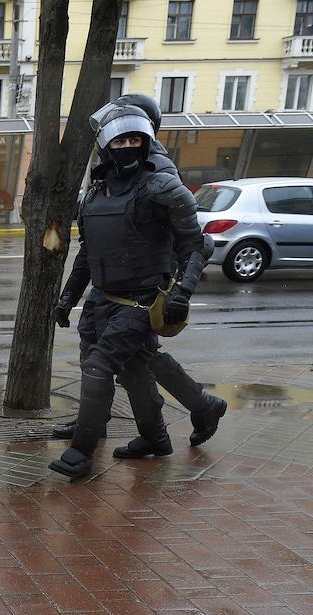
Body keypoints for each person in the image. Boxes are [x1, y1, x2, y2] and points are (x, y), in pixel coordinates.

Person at [52, 92, 227, 447]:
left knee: (137, 360)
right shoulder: (119, 166)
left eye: (129, 132)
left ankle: (183, 414)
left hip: (144, 282)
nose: (122, 140)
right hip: (117, 281)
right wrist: (70, 294)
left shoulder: (155, 168)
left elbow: (187, 239)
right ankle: (167, 422)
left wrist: (178, 288)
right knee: (138, 359)